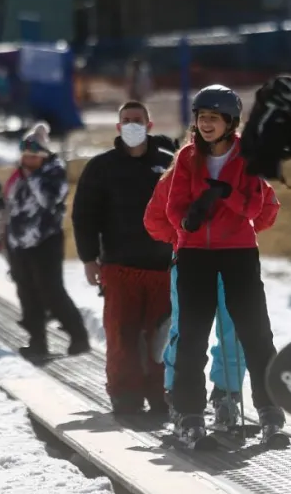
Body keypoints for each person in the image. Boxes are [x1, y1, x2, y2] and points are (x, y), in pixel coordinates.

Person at [163, 84, 285, 447]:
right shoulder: (187, 158)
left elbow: (254, 207)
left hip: (238, 252)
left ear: (231, 122)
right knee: (192, 335)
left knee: (255, 333)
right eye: (201, 118)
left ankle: (269, 407)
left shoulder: (248, 156)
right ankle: (189, 412)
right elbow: (173, 206)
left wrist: (225, 195)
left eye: (214, 118)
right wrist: (189, 218)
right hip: (196, 252)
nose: (206, 124)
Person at [144, 155, 280, 428]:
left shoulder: (242, 169)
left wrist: (235, 230)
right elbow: (155, 218)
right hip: (193, 260)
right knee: (189, 331)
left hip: (232, 259)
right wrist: (183, 238)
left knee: (232, 332)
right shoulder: (176, 176)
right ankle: (179, 393)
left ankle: (225, 394)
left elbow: (266, 209)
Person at [71, 100, 175, 416]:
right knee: (122, 334)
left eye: (137, 120)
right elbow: (83, 215)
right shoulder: (102, 167)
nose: (132, 124)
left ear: (149, 125)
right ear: (118, 127)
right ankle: (125, 394)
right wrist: (89, 259)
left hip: (162, 268)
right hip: (119, 267)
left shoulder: (170, 165)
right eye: (126, 120)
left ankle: (162, 394)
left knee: (162, 336)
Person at [5, 123, 90, 362]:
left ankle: (78, 335)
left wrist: (32, 178)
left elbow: (50, 201)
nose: (28, 161)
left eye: (33, 156)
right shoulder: (19, 174)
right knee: (26, 292)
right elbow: (10, 203)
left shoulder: (53, 172)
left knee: (51, 291)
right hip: (20, 242)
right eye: (25, 156)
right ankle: (37, 341)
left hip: (45, 240)